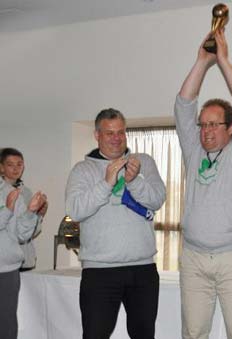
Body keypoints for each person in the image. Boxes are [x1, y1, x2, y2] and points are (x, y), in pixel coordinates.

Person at [174, 30, 232, 339]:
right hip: (194, 258)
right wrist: (201, 62)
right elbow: (183, 104)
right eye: (204, 124)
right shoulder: (194, 151)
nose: (207, 130)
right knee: (193, 332)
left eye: (215, 124)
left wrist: (222, 60)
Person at [65, 108, 166, 339]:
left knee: (144, 335)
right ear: (97, 135)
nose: (116, 138)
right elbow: (75, 211)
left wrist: (134, 180)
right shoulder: (82, 170)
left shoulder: (143, 162)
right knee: (95, 334)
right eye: (110, 133)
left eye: (121, 132)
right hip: (100, 271)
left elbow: (158, 199)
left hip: (143, 269)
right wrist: (106, 183)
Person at [1, 174, 47, 339]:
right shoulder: (10, 199)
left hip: (6, 271)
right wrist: (6, 211)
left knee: (6, 326)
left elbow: (22, 234)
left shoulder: (11, 192)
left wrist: (31, 212)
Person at [0, 147, 48, 271]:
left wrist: (39, 215)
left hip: (25, 259)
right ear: (1, 167)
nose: (16, 168)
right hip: (5, 260)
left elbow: (31, 232)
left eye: (19, 164)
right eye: (10, 164)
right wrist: (8, 208)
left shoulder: (26, 192)